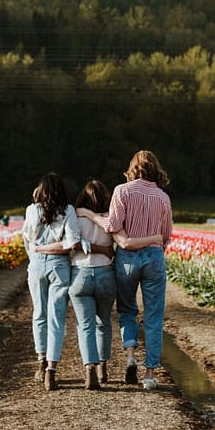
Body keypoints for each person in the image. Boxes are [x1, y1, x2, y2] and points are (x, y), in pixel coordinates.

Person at [80, 150, 172, 390]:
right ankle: (150, 374)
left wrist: (89, 215)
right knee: (153, 316)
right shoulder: (163, 197)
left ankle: (130, 355)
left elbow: (112, 225)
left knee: (128, 309)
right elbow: (166, 236)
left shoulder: (122, 190)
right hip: (153, 256)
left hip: (127, 258)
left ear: (132, 169)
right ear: (156, 169)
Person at [21, 173, 83, 391]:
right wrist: (53, 248)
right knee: (56, 318)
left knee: (39, 314)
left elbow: (28, 239)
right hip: (60, 265)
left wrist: (39, 250)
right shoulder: (68, 211)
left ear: (41, 191)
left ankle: (41, 360)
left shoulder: (31, 210)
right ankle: (51, 371)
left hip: (37, 264)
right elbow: (72, 243)